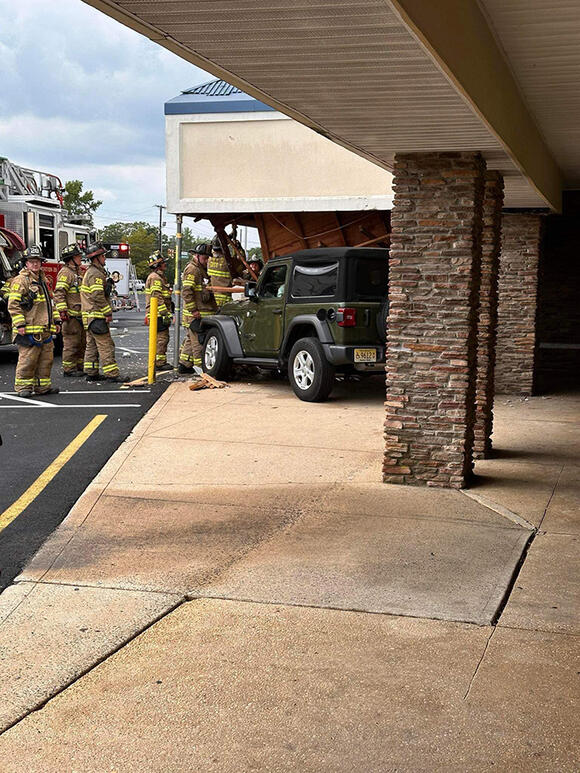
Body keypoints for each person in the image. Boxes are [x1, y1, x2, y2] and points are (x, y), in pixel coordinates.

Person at [7, 245, 60, 396]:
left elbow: (51, 303)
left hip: (44, 329)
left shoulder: (43, 280)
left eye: (37, 261)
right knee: (27, 360)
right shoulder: (20, 281)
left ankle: (42, 387)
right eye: (31, 261)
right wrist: (20, 324)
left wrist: (56, 321)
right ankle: (23, 388)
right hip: (29, 328)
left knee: (46, 360)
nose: (35, 264)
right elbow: (13, 305)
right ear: (26, 263)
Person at [81, 242, 121, 382]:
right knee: (106, 345)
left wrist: (107, 286)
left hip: (90, 317)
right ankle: (112, 374)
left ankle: (91, 372)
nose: (105, 258)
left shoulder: (94, 272)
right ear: (96, 258)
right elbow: (97, 295)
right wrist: (107, 312)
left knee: (91, 345)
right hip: (97, 316)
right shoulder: (95, 273)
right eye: (103, 256)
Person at [179, 243, 217, 373]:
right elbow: (187, 292)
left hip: (199, 313)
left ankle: (184, 365)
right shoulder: (193, 269)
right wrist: (194, 310)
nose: (207, 261)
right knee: (198, 344)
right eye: (205, 258)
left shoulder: (201, 269)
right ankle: (201, 370)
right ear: (197, 256)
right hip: (196, 315)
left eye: (208, 258)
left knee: (190, 340)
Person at [54, 243, 86, 376]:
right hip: (71, 316)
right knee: (71, 344)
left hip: (80, 314)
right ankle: (69, 369)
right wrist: (62, 312)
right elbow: (59, 293)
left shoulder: (78, 272)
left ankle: (79, 366)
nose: (80, 258)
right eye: (78, 256)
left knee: (82, 343)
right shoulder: (65, 273)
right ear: (71, 258)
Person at [145, 251, 173, 371]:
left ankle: (159, 361)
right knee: (162, 339)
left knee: (162, 338)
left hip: (158, 314)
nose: (165, 265)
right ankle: (159, 362)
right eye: (163, 263)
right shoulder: (155, 278)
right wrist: (164, 313)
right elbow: (156, 297)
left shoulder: (159, 277)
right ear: (158, 265)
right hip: (158, 314)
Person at [207, 238, 234, 309]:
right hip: (225, 299)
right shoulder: (228, 262)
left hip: (212, 299)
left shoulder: (208, 261)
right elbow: (241, 268)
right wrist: (237, 247)